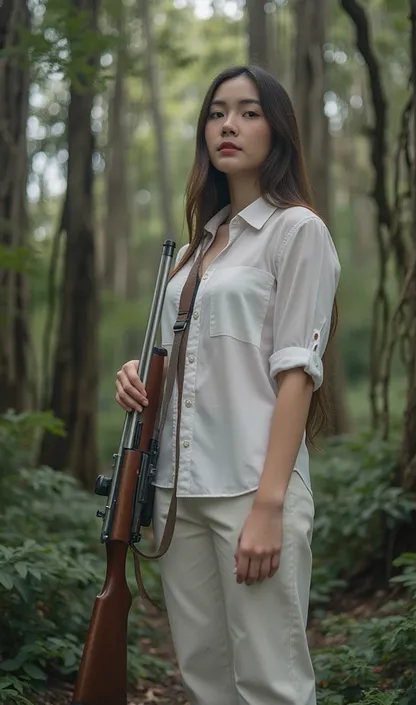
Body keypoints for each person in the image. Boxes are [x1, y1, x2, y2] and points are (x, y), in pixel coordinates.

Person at [115, 65, 340, 705]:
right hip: (176, 493)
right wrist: (134, 377)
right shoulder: (192, 253)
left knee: (271, 682)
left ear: (278, 129)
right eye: (217, 113)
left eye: (247, 111)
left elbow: (297, 370)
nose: (229, 126)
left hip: (251, 487)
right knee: (206, 680)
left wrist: (270, 506)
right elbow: (175, 367)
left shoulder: (297, 231)